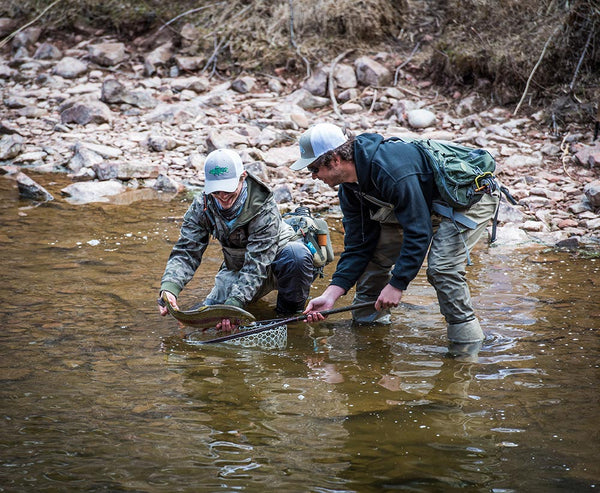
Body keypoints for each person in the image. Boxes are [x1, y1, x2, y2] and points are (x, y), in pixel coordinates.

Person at [290, 123, 500, 345]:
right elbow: (359, 245)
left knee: (442, 268)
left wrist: (397, 284)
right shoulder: (350, 189)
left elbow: (418, 232)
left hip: (469, 200)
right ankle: (369, 336)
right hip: (423, 205)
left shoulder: (390, 171)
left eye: (313, 169)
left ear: (334, 160)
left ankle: (466, 348)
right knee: (372, 260)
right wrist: (331, 294)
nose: (312, 176)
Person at [158, 148, 314, 330]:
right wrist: (170, 287)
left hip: (276, 262)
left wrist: (235, 303)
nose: (223, 197)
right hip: (238, 265)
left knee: (296, 256)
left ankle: (289, 317)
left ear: (243, 177)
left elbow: (257, 264)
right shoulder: (202, 206)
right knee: (205, 320)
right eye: (216, 192)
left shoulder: (263, 206)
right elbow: (187, 251)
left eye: (229, 190)